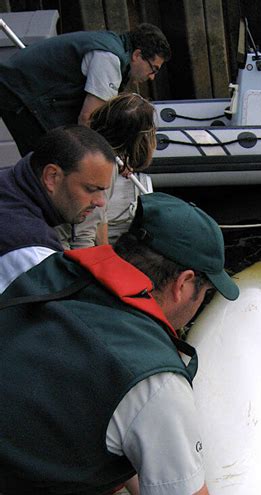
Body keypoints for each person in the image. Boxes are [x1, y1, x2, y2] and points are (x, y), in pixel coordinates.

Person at [0, 192, 245, 495]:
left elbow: (91, 404)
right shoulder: (154, 383)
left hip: (23, 483)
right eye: (206, 292)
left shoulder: (50, 272)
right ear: (184, 282)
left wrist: (145, 489)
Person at [0, 22, 170, 155]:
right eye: (153, 68)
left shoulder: (110, 44)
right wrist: (104, 157)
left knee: (53, 157)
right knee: (50, 160)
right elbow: (88, 118)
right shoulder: (109, 58)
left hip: (20, 87)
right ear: (137, 55)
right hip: (21, 93)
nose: (152, 76)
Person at [0, 125, 116, 293]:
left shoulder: (9, 182)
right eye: (91, 189)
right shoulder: (31, 250)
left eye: (103, 190)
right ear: (51, 176)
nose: (100, 202)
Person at [61, 92, 157, 249]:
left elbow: (99, 216)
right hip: (57, 246)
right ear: (138, 138)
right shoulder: (103, 167)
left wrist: (108, 256)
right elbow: (82, 236)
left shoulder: (84, 145)